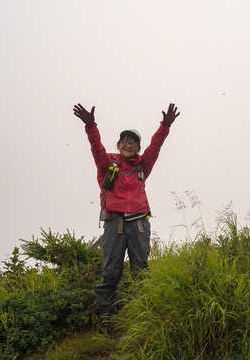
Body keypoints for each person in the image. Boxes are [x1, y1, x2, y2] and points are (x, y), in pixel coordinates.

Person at [73, 102, 180, 320]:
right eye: (125, 141)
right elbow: (96, 148)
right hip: (115, 223)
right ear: (119, 144)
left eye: (134, 142)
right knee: (111, 270)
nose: (129, 144)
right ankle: (106, 316)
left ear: (138, 149)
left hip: (140, 222)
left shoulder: (143, 165)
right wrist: (91, 125)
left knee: (140, 268)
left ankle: (145, 312)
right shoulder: (107, 163)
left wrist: (165, 126)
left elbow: (155, 146)